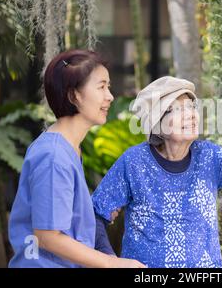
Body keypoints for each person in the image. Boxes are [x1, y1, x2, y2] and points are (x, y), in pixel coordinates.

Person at [92, 75, 222, 268]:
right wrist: (111, 261)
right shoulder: (134, 162)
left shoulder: (208, 156)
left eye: (191, 106)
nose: (190, 114)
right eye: (176, 110)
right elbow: (95, 214)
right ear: (156, 123)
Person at [8, 49, 145, 268]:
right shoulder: (53, 156)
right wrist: (112, 263)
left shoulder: (69, 149)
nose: (109, 96)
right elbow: (48, 236)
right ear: (74, 95)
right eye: (101, 86)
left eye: (108, 86)